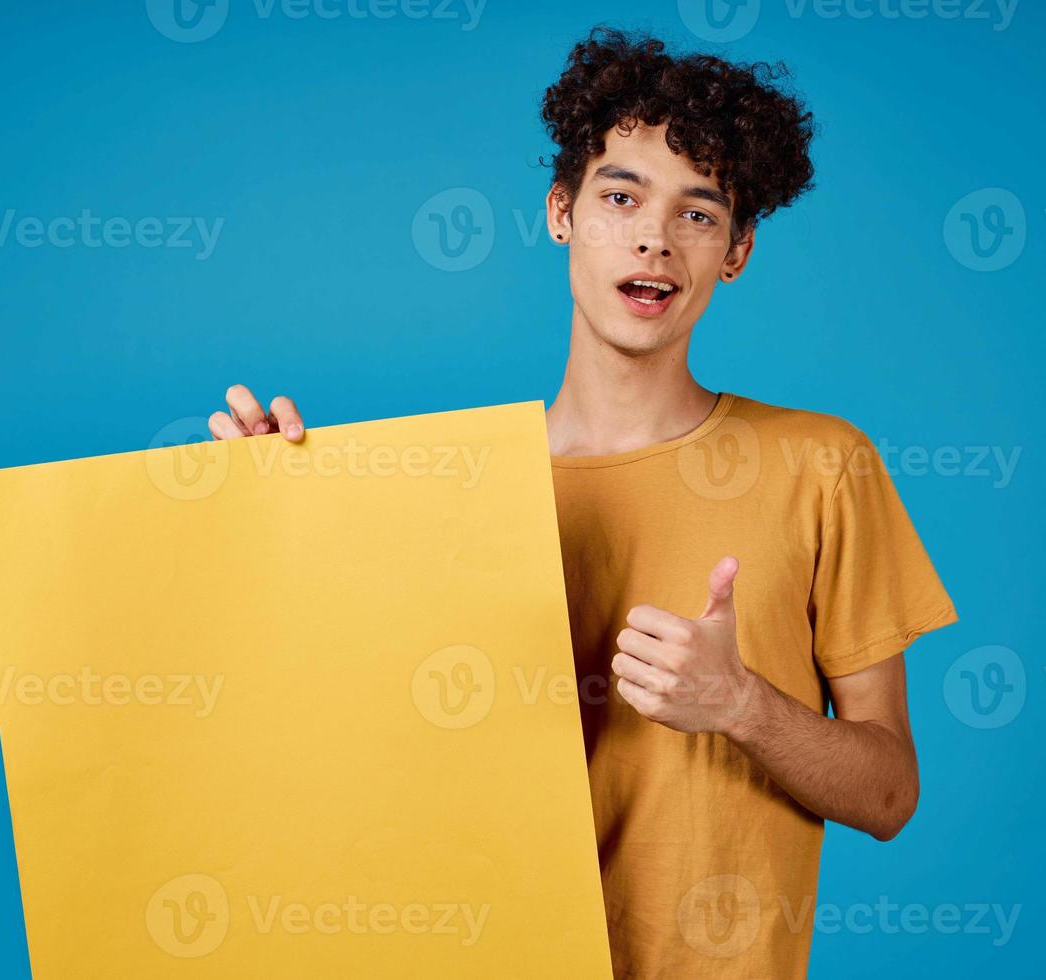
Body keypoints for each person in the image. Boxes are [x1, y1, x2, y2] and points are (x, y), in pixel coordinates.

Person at [204, 26, 957, 979]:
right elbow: (312, 746)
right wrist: (266, 518)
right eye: (620, 196)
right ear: (560, 212)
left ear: (737, 251)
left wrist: (741, 705)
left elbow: (889, 795)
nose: (653, 234)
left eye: (699, 212)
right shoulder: (441, 489)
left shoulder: (823, 466)